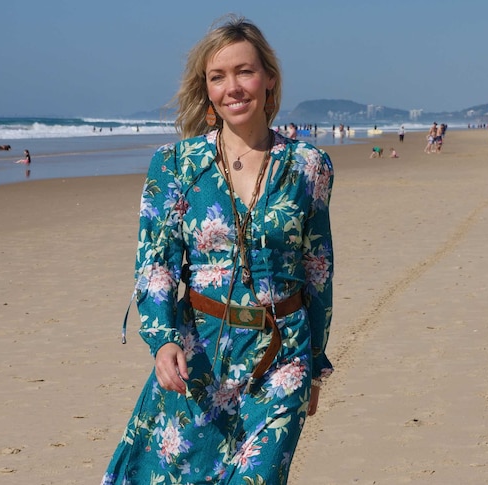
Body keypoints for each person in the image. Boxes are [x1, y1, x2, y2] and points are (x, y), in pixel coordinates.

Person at [102, 16, 334, 484]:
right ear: (206, 90)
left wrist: (313, 368)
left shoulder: (309, 166)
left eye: (245, 71)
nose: (234, 87)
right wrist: (163, 337)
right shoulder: (174, 165)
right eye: (217, 76)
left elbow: (318, 271)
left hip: (282, 355)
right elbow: (156, 263)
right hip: (200, 352)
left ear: (269, 78)